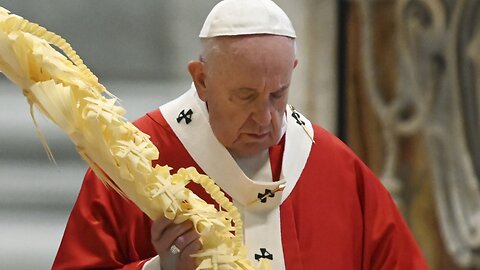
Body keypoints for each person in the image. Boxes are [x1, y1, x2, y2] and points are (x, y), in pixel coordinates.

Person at [53, 0, 428, 269]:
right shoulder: (134, 160)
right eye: (245, 96)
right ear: (201, 79)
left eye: (278, 94)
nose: (265, 118)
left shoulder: (333, 167)